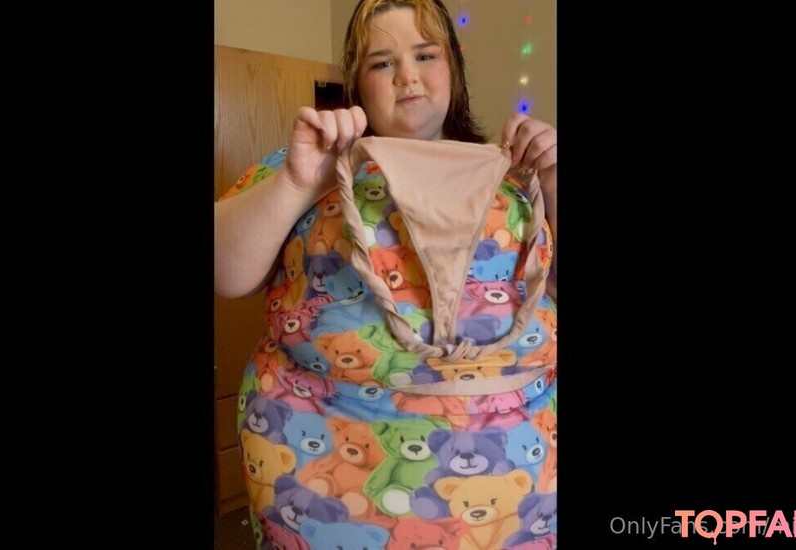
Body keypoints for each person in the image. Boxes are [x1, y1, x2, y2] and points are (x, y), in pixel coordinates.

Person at [215, 1, 558, 548]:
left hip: (513, 485)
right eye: (382, 62)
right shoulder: (308, 164)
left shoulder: (519, 177)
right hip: (327, 472)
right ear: (357, 81)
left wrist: (553, 179)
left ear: (454, 68)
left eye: (425, 54)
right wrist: (301, 182)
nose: (407, 76)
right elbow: (226, 274)